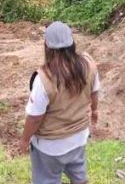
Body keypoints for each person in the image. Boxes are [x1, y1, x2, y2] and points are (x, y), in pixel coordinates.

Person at [19, 21, 100, 184]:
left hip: (50, 147)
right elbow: (95, 91)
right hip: (79, 136)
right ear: (72, 42)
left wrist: (25, 140)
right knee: (79, 174)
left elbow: (35, 117)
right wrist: (95, 110)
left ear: (47, 46)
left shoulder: (44, 78)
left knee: (47, 179)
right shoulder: (88, 64)